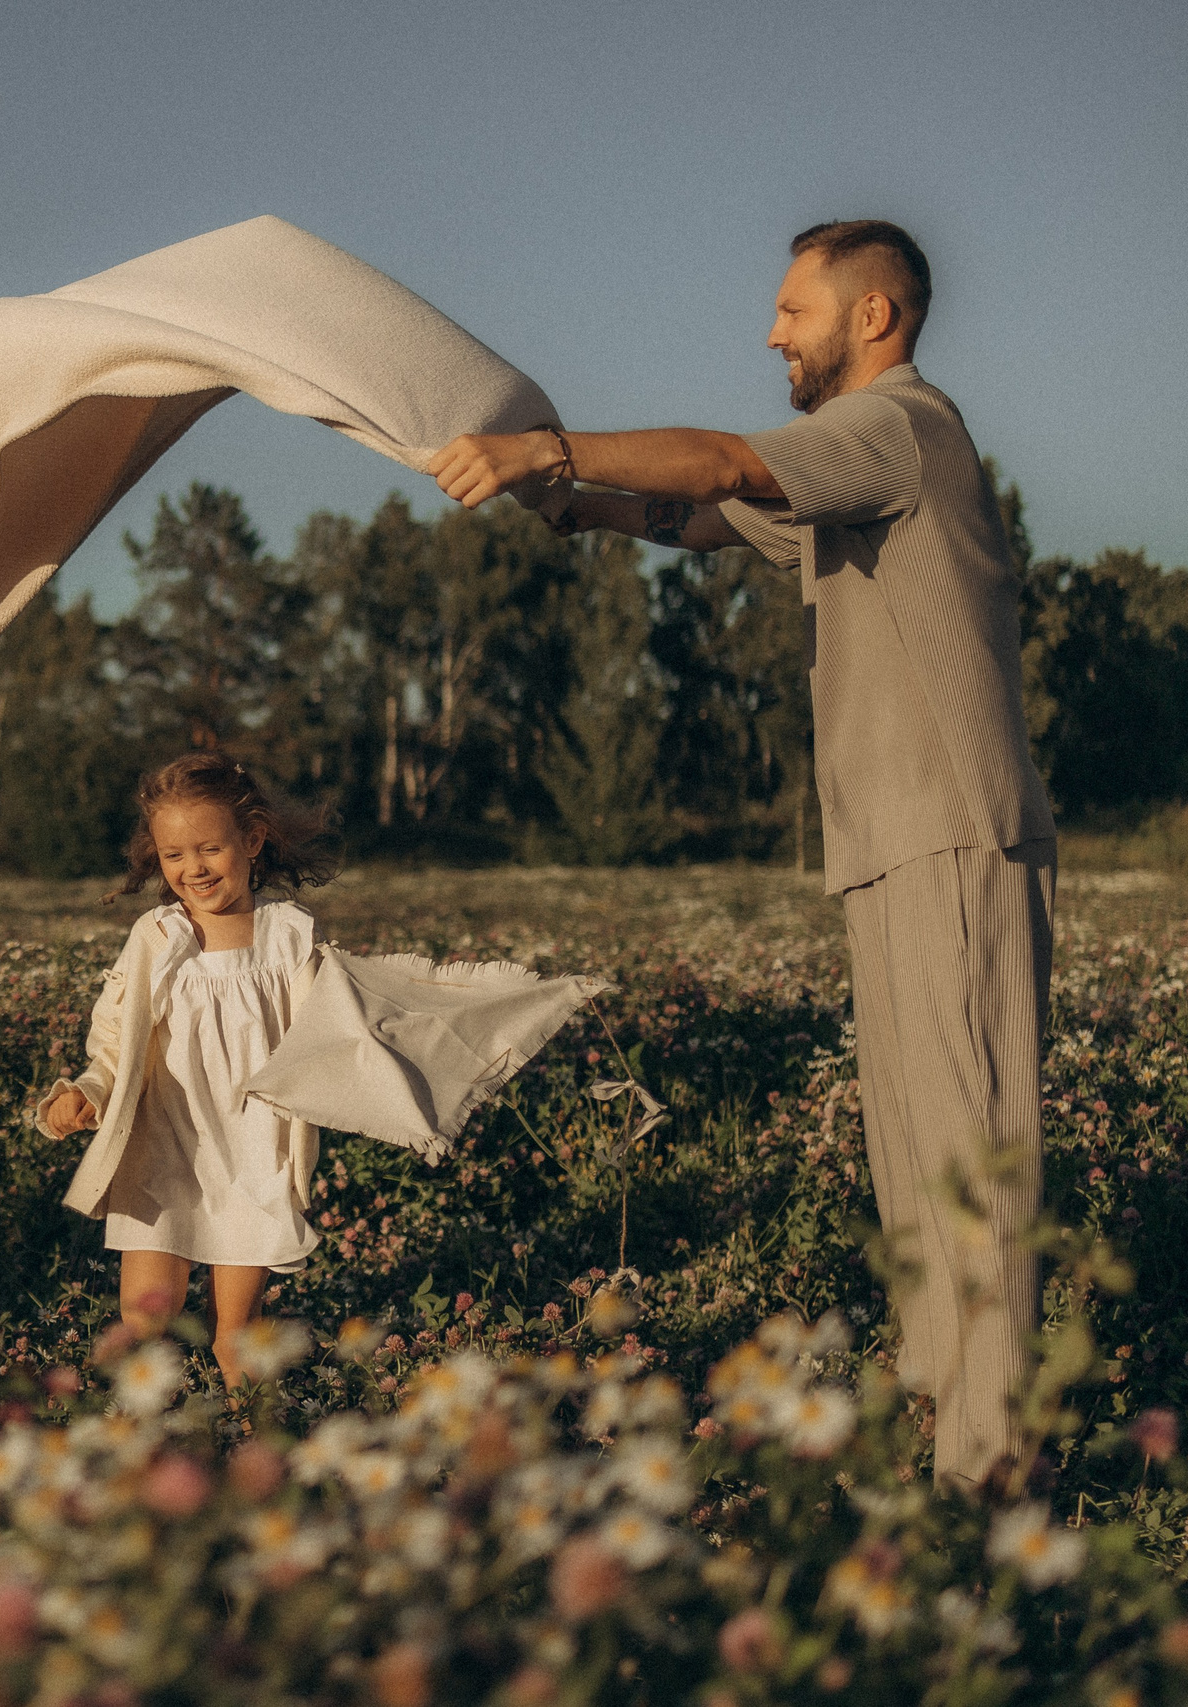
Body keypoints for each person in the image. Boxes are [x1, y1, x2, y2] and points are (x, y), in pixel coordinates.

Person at [427, 220, 1056, 1493]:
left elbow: (723, 459)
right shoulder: (851, 470)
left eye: (791, 310)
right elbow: (716, 515)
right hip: (888, 843)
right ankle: (944, 1426)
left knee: (975, 1160)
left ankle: (994, 1486)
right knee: (917, 1166)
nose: (771, 333)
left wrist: (542, 446)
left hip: (952, 831)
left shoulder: (903, 425)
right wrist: (581, 509)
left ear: (870, 317)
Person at [36, 753, 340, 1390]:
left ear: (252, 840)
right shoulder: (157, 937)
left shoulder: (288, 937)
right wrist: (87, 1091)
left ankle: (250, 1450)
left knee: (236, 1338)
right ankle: (141, 1450)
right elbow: (116, 1040)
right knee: (145, 1321)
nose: (192, 869)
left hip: (256, 1156)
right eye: (173, 855)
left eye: (209, 849)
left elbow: (335, 1036)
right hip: (166, 1151)